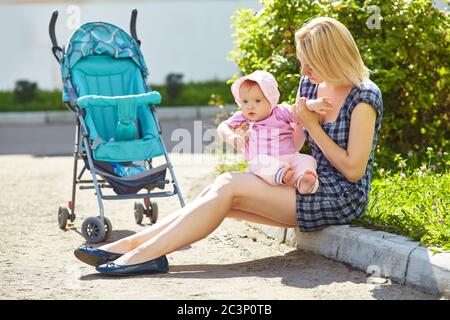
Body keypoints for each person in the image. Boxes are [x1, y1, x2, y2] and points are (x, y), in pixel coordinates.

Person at [74, 16, 383, 276]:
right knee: (220, 193)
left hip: (339, 195)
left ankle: (142, 255)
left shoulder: (363, 97)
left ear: (331, 58)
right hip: (304, 180)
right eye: (303, 63)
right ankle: (130, 247)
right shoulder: (312, 85)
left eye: (310, 63)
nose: (304, 72)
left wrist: (312, 124)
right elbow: (295, 132)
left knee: (228, 185)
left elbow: (353, 171)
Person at [217, 70, 334, 194]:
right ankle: (281, 174)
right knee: (257, 163)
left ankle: (305, 181)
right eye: (245, 101)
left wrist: (315, 104)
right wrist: (231, 136)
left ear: (271, 100)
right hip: (263, 161)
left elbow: (299, 109)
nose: (250, 106)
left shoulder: (280, 111)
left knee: (307, 160)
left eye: (257, 101)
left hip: (289, 157)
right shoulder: (242, 117)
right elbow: (222, 127)